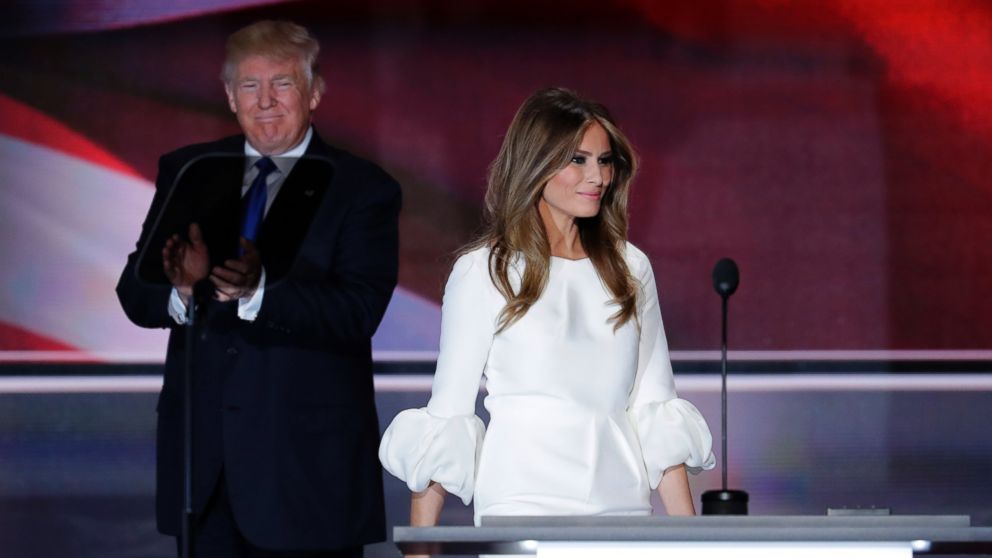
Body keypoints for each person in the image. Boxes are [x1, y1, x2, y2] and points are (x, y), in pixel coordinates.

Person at [116, 20, 400, 557]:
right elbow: (135, 294)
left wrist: (258, 293)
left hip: (308, 480)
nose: (265, 100)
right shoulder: (190, 170)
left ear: (314, 92)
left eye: (283, 83)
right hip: (205, 476)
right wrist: (181, 290)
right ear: (229, 95)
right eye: (250, 85)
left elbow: (358, 311)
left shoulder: (362, 188)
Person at [379, 88, 714, 529]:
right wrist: (418, 550)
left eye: (605, 160)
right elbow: (449, 416)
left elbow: (657, 406)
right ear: (535, 164)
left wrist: (691, 544)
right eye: (578, 160)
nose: (597, 176)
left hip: (623, 511)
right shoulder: (486, 270)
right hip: (522, 509)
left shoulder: (630, 268)